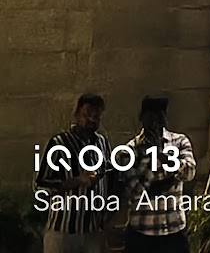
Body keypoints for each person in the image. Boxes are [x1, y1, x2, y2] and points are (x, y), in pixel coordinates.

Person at [36, 94, 110, 253]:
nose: (91, 119)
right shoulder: (59, 144)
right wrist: (76, 181)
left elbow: (107, 173)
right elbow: (41, 186)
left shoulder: (102, 142)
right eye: (87, 114)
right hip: (64, 232)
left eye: (96, 116)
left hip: (93, 231)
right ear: (76, 114)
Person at [122, 96, 196, 252]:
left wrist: (160, 154)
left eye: (160, 116)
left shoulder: (179, 142)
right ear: (141, 118)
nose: (156, 123)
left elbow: (189, 172)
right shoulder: (130, 150)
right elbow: (134, 194)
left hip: (173, 229)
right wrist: (169, 180)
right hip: (142, 231)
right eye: (151, 117)